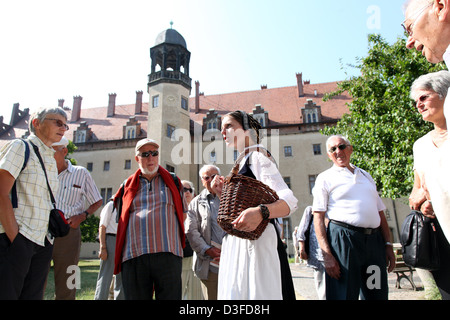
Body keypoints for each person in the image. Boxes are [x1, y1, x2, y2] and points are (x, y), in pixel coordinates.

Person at [212, 110, 298, 300]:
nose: (223, 132)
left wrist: (261, 212)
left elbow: (289, 201)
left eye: (229, 126)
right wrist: (222, 192)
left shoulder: (257, 157)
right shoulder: (243, 160)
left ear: (246, 130)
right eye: (221, 128)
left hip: (257, 244)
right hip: (240, 243)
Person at [312, 135, 395, 300]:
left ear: (350, 149)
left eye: (341, 146)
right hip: (344, 241)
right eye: (333, 149)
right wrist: (327, 255)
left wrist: (387, 244)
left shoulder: (366, 176)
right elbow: (318, 217)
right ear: (329, 155)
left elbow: (380, 212)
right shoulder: (325, 178)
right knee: (344, 294)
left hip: (373, 243)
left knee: (376, 292)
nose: (338, 151)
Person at [0, 106, 68, 299]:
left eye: (65, 125)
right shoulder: (20, 147)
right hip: (16, 238)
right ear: (37, 123)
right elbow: (1, 192)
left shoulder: (50, 159)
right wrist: (16, 238)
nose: (62, 128)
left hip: (42, 241)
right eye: (57, 122)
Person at [113, 138, 186, 300]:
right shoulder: (126, 186)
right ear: (137, 159)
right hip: (135, 255)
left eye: (154, 153)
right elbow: (121, 220)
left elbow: (183, 214)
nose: (150, 158)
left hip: (168, 252)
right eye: (145, 154)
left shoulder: (173, 181)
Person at [403, 0, 450, 243]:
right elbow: (417, 192)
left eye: (409, 28)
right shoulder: (421, 145)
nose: (410, 41)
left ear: (441, 7)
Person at [408, 70, 450, 299]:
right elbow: (416, 193)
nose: (419, 105)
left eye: (424, 97)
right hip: (441, 235)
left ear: (445, 95)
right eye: (416, 101)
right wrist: (423, 201)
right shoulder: (421, 146)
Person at [50, 136, 103, 300]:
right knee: (35, 278)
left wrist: (83, 215)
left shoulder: (81, 173)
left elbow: (97, 200)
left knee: (68, 281)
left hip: (69, 232)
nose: (48, 153)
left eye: (52, 150)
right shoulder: (43, 171)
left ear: (64, 151)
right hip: (42, 230)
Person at [186, 165, 225, 300]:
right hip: (209, 265)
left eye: (214, 176)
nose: (210, 180)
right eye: (206, 178)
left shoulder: (231, 198)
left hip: (232, 262)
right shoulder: (195, 203)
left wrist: (229, 252)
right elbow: (191, 231)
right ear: (202, 181)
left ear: (220, 178)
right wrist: (208, 250)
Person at [94, 197, 124, 300]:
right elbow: (102, 227)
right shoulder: (110, 206)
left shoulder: (126, 207)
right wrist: (103, 248)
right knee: (106, 275)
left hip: (123, 241)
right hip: (111, 239)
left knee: (122, 276)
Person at [181, 179, 203, 300]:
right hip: (180, 258)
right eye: (183, 189)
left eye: (189, 189)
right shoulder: (173, 211)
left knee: (196, 295)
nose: (187, 192)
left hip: (196, 258)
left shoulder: (199, 211)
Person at [297, 206, 326, 300]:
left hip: (334, 256)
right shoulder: (310, 210)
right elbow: (301, 231)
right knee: (322, 290)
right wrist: (302, 249)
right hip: (317, 256)